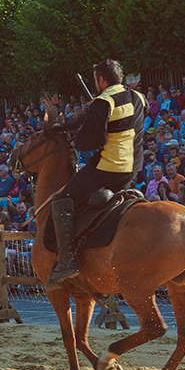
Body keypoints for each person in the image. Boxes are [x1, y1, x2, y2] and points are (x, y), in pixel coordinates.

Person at [46, 59, 146, 290]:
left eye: (96, 81)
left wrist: (80, 124)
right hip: (133, 169)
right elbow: (118, 116)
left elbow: (87, 141)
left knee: (61, 200)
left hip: (108, 169)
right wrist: (90, 113)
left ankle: (67, 263)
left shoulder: (104, 101)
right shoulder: (139, 98)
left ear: (101, 80)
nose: (95, 84)